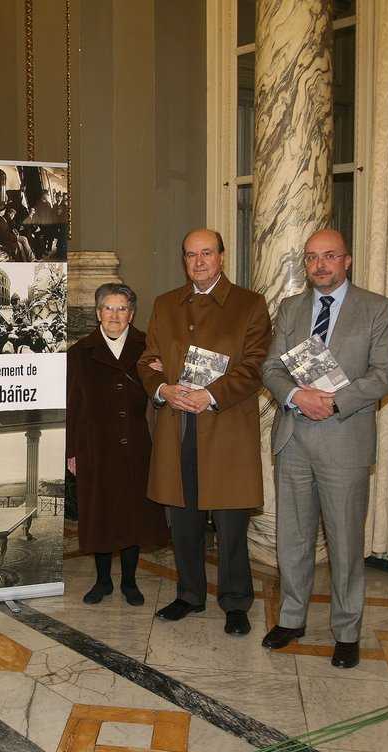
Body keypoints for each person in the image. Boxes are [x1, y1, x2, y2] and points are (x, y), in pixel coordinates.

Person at [260, 229, 388, 669]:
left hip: (345, 441)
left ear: (347, 260)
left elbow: (384, 375)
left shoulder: (376, 308)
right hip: (294, 439)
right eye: (312, 257)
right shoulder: (291, 308)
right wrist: (296, 396)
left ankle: (347, 631)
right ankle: (291, 618)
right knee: (293, 540)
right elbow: (271, 367)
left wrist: (334, 402)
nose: (320, 265)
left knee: (344, 543)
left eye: (330, 256)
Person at [138, 228, 271, 635]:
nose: (199, 262)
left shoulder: (249, 305)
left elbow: (255, 367)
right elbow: (147, 361)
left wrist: (210, 395)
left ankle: (235, 602)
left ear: (221, 257)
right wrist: (162, 388)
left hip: (225, 430)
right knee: (183, 522)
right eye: (191, 255)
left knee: (230, 526)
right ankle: (189, 594)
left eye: (207, 253)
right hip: (177, 428)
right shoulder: (165, 305)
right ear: (184, 260)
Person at [67, 283, 169, 606]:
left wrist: (163, 374)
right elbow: (72, 406)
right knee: (100, 514)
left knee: (132, 514)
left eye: (121, 308)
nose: (114, 315)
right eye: (108, 308)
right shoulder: (79, 353)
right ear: (98, 313)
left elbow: (163, 394)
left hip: (137, 445)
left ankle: (129, 582)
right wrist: (71, 452)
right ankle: (102, 581)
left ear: (131, 314)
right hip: (95, 447)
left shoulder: (148, 348)